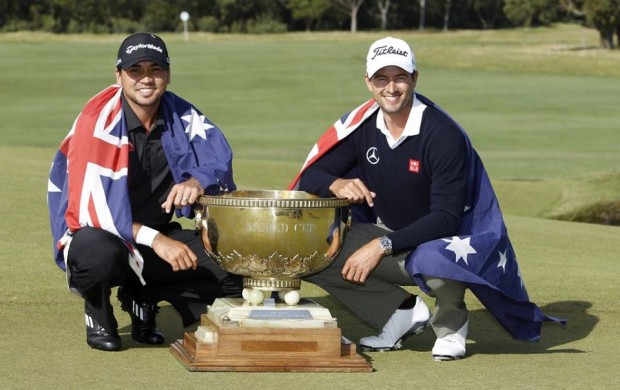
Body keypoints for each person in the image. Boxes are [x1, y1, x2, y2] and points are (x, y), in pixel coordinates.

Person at [289, 37, 565, 361]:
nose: (390, 88)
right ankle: (398, 315)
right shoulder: (363, 128)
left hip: (448, 240)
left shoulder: (441, 134)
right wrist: (337, 182)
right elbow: (310, 175)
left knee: (432, 258)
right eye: (381, 78)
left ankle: (451, 326)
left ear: (415, 78)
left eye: (399, 77)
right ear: (368, 82)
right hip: (392, 235)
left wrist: (380, 247)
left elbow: (446, 218)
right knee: (313, 251)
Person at [47, 32, 243, 351]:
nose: (146, 79)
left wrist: (196, 180)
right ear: (119, 75)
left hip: (158, 235)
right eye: (135, 70)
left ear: (168, 73)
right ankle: (98, 313)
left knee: (237, 266)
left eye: (155, 69)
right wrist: (156, 240)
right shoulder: (95, 122)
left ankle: (143, 296)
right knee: (98, 253)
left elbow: (218, 161)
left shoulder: (182, 116)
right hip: (97, 234)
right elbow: (94, 210)